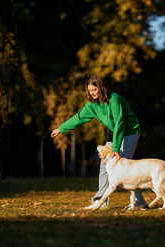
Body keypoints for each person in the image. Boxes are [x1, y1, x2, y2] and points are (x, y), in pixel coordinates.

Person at [51, 74, 147, 209]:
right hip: (114, 133)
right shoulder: (92, 105)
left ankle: (140, 202)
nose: (92, 93)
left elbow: (120, 123)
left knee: (124, 167)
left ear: (101, 88)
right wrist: (61, 128)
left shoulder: (115, 100)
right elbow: (78, 117)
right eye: (89, 90)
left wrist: (115, 148)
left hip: (129, 132)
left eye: (94, 90)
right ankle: (100, 201)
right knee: (104, 164)